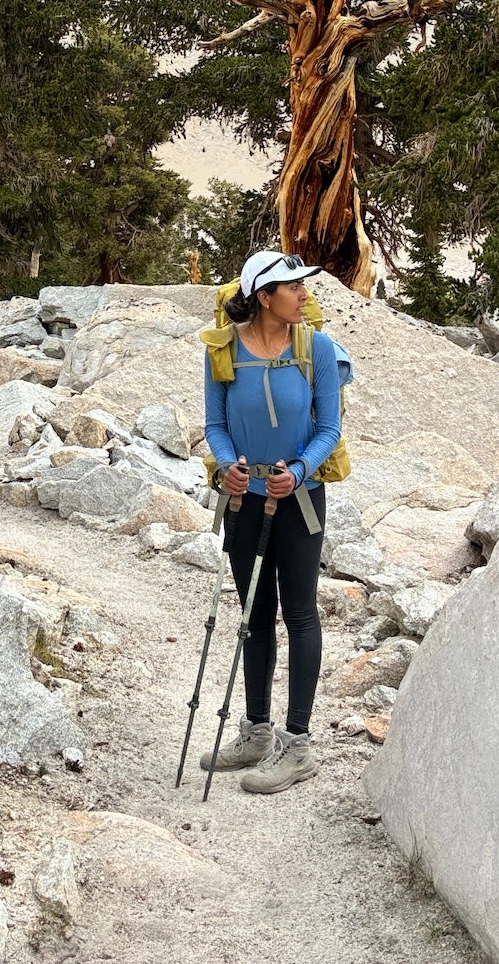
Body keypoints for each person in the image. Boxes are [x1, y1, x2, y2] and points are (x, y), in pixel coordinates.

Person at [199, 249, 343, 794]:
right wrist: (227, 467)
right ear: (264, 297)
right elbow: (215, 424)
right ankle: (256, 732)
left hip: (299, 497)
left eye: (302, 286)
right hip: (244, 498)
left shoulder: (318, 349)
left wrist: (301, 468)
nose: (303, 294)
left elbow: (328, 427)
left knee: (300, 613)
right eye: (292, 287)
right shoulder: (222, 352)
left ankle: (297, 745)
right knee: (253, 613)